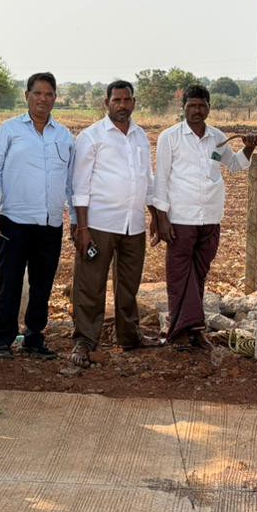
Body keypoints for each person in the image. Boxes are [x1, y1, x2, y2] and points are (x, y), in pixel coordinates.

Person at [150, 84, 257, 349]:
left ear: (209, 107)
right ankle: (180, 334)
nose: (197, 111)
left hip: (210, 216)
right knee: (178, 276)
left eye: (202, 106)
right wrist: (160, 218)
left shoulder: (217, 138)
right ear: (183, 107)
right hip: (181, 218)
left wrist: (248, 149)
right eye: (192, 106)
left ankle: (195, 331)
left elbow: (234, 166)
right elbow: (161, 179)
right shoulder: (170, 137)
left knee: (198, 275)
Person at [0, 72, 74, 360]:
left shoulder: (63, 135)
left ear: (55, 99)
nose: (43, 99)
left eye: (49, 94)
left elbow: (71, 181)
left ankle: (34, 337)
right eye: (38, 93)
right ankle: (3, 340)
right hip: (13, 220)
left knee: (42, 283)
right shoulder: (9, 131)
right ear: (27, 96)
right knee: (9, 281)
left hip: (50, 223)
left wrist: (76, 218)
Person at [70, 80, 155, 367]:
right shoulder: (91, 137)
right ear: (106, 103)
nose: (122, 105)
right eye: (116, 100)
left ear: (134, 102)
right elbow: (79, 186)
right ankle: (85, 340)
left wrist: (156, 214)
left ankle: (130, 336)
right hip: (99, 224)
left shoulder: (140, 136)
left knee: (129, 284)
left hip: (133, 224)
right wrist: (82, 228)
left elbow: (147, 178)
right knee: (90, 283)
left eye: (127, 100)